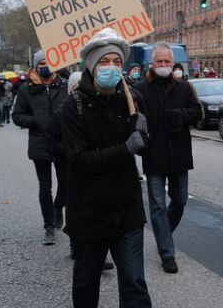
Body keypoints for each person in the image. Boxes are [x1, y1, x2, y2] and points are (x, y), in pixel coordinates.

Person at [61, 28, 151, 308]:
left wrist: (144, 135)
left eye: (116, 61)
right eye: (104, 61)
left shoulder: (132, 99)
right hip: (89, 213)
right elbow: (80, 160)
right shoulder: (73, 105)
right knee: (87, 285)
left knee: (135, 285)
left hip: (127, 210)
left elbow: (143, 146)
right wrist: (126, 148)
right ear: (91, 65)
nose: (111, 67)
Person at [134, 42, 203, 274]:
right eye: (159, 61)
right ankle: (167, 251)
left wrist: (180, 116)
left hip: (180, 154)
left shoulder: (184, 87)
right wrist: (142, 140)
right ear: (152, 63)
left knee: (180, 200)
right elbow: (134, 119)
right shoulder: (140, 89)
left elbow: (197, 113)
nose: (163, 65)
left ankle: (165, 234)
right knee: (157, 205)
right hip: (154, 155)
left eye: (167, 62)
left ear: (173, 63)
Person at [12, 50, 68, 245]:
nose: (45, 66)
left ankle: (58, 207)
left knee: (67, 183)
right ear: (36, 66)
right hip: (39, 143)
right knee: (45, 187)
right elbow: (16, 115)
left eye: (49, 62)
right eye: (42, 63)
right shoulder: (26, 89)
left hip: (63, 144)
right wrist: (34, 120)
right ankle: (49, 227)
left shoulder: (64, 85)